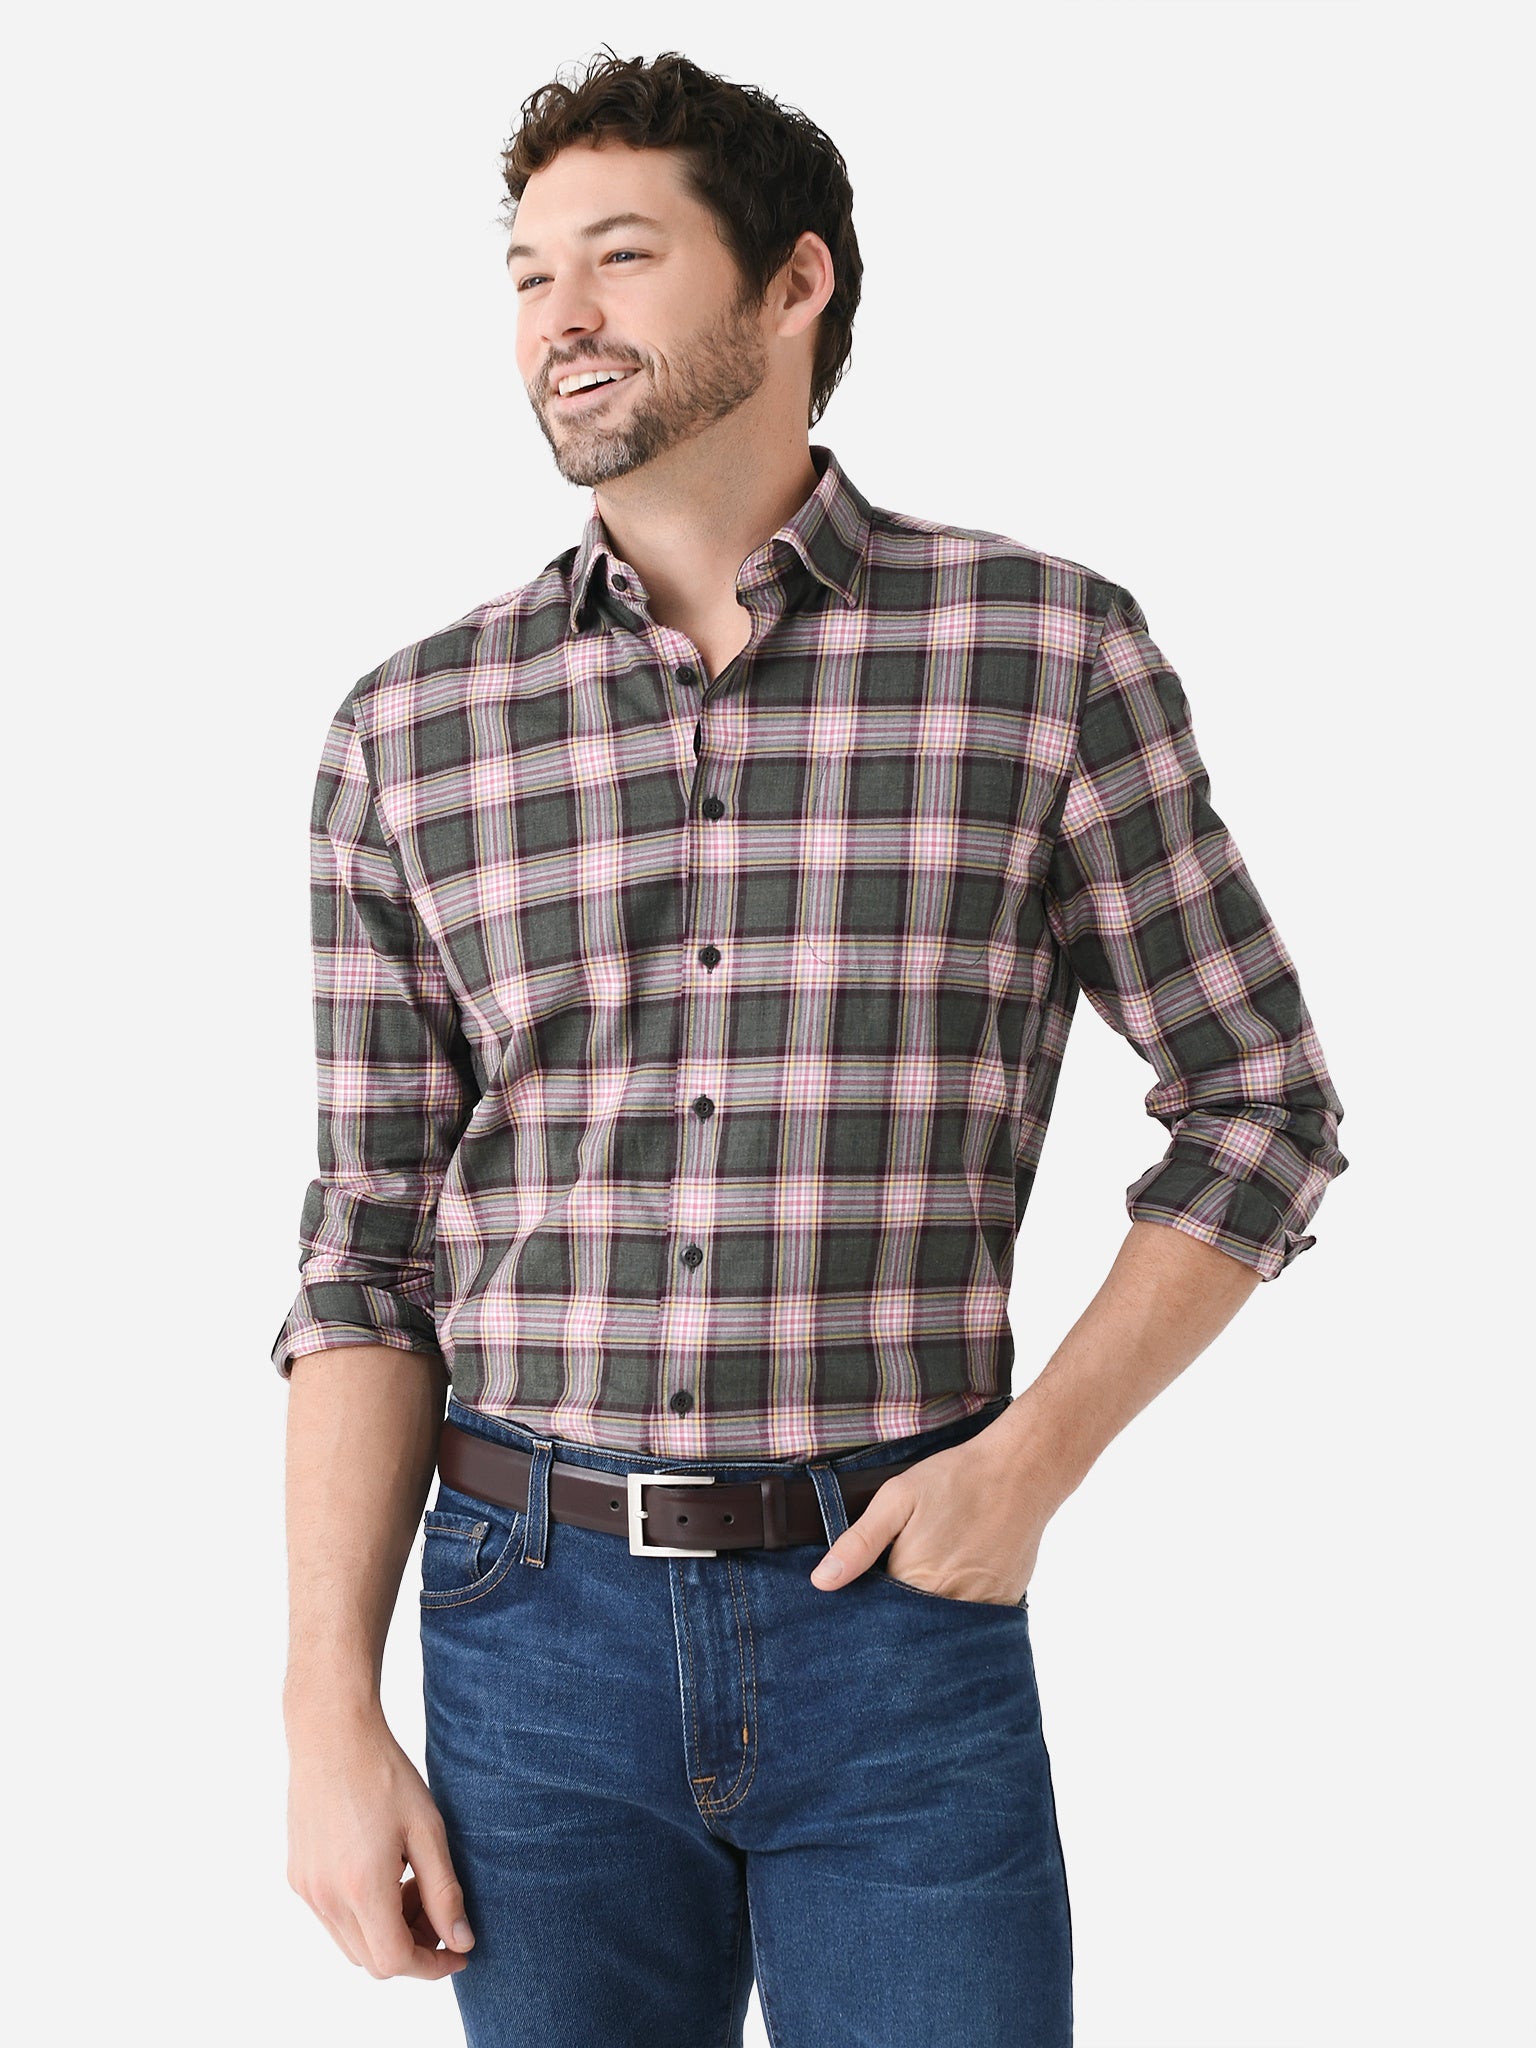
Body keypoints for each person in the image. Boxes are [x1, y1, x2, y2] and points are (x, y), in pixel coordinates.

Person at [274, 47, 1348, 2048]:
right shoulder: (409, 733)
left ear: (794, 285)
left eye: (620, 255)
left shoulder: (1042, 656)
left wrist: (1031, 1464)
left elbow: (1261, 1104)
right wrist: (327, 1710)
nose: (562, 315)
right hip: (526, 1621)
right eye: (527, 272)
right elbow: (366, 1251)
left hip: (898, 1604)